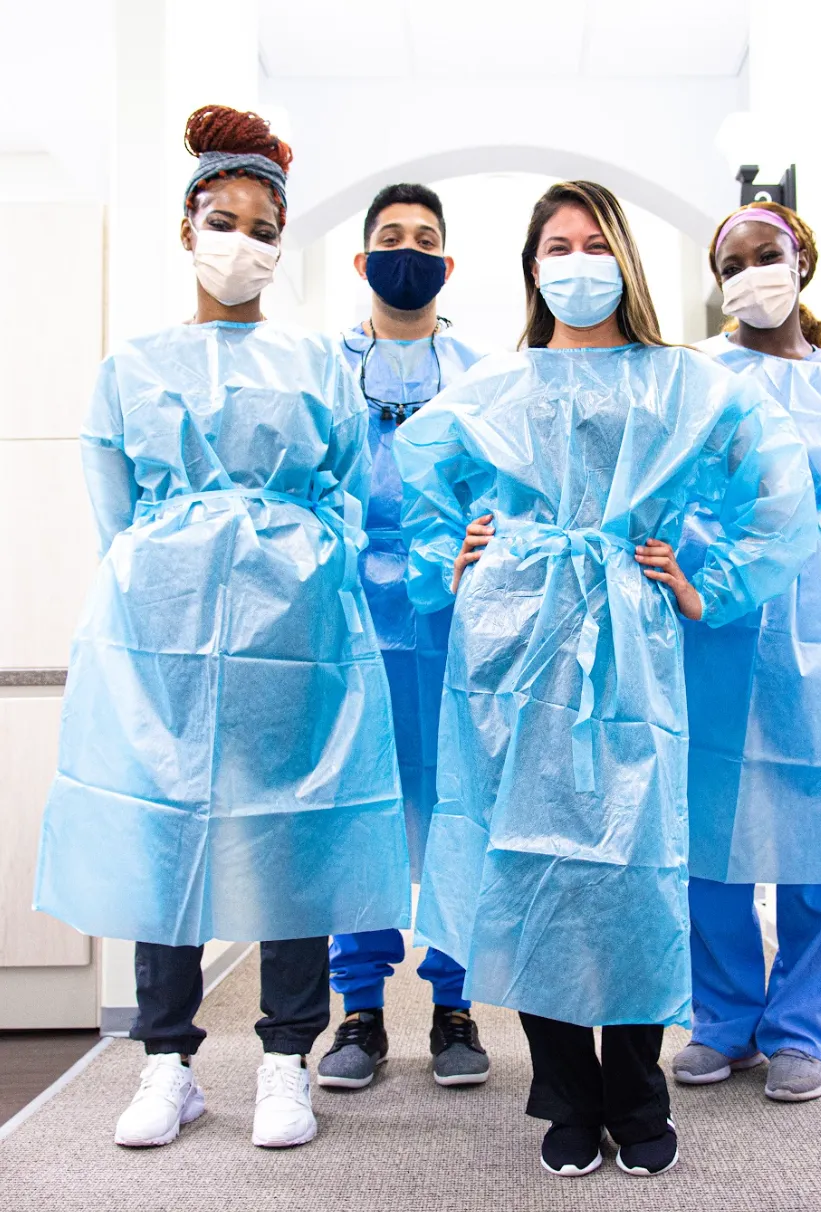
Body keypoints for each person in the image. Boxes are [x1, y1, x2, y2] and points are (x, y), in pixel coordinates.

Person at [392, 181, 818, 1178]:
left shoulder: (683, 383)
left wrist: (707, 580)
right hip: (514, 641)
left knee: (635, 865)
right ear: (533, 267)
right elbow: (418, 481)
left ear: (623, 259)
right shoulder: (499, 384)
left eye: (593, 242)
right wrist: (449, 555)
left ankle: (637, 1088)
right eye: (556, 245)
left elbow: (779, 485)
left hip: (629, 634)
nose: (575, 261)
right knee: (532, 865)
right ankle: (565, 1094)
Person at [33, 105, 411, 1150]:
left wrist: (294, 579)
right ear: (186, 227)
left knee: (289, 834)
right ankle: (168, 1062)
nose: (242, 241)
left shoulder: (317, 364)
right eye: (222, 217)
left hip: (292, 635)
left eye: (262, 225)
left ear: (282, 244)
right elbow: (118, 513)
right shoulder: (132, 367)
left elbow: (345, 496)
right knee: (166, 836)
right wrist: (179, 573)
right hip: (161, 636)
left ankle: (287, 1057)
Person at [672, 201, 821, 1103]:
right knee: (710, 831)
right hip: (720, 621)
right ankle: (724, 1020)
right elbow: (678, 489)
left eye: (767, 255)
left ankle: (806, 1026)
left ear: (801, 259)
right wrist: (726, 568)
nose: (752, 274)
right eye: (734, 264)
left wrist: (806, 558)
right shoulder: (700, 377)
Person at [316, 184, 490, 1092]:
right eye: (391, 237)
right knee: (364, 803)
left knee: (457, 799)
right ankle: (359, 1008)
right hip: (351, 619)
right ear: (362, 261)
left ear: (447, 265)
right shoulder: (324, 368)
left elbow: (503, 488)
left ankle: (455, 1004)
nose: (407, 251)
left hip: (455, 619)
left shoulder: (482, 371)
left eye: (425, 239)